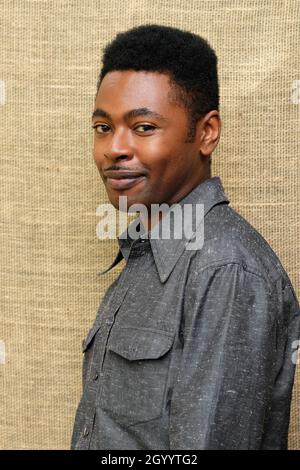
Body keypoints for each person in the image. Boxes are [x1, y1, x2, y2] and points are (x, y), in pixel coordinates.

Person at [71, 24, 300, 450]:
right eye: (103, 127)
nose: (114, 148)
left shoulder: (226, 271)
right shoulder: (145, 247)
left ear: (207, 133)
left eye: (142, 127)